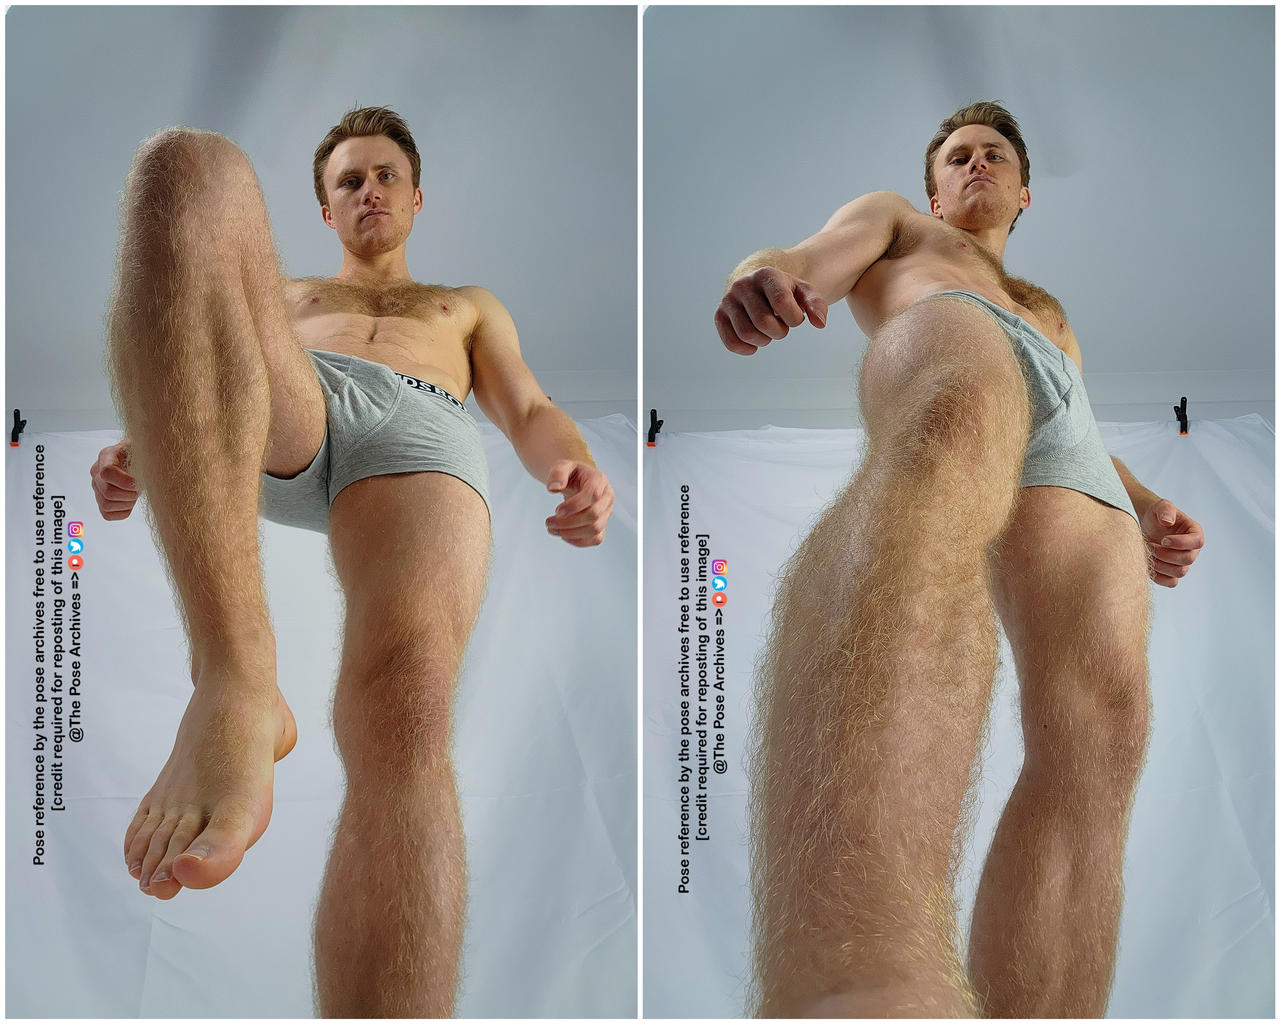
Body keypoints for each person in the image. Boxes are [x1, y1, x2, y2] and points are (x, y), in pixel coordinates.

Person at [90, 106, 615, 1017]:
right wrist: (148, 442)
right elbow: (195, 352)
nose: (369, 189)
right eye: (347, 180)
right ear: (327, 211)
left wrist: (572, 465)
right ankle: (237, 680)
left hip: (423, 429)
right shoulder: (289, 294)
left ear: (416, 198)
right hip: (291, 399)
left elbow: (528, 409)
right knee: (187, 168)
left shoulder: (467, 306)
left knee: (404, 705)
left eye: (385, 176)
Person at [714, 101, 1204, 1018]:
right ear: (936, 183)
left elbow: (1078, 425)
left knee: (1108, 724)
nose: (975, 165)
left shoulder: (1053, 311)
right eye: (958, 156)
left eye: (994, 157)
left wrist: (1143, 504)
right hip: (953, 331)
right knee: (955, 429)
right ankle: (857, 984)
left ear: (1024, 193)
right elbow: (804, 254)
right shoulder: (899, 223)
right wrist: (761, 276)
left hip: (1068, 442)